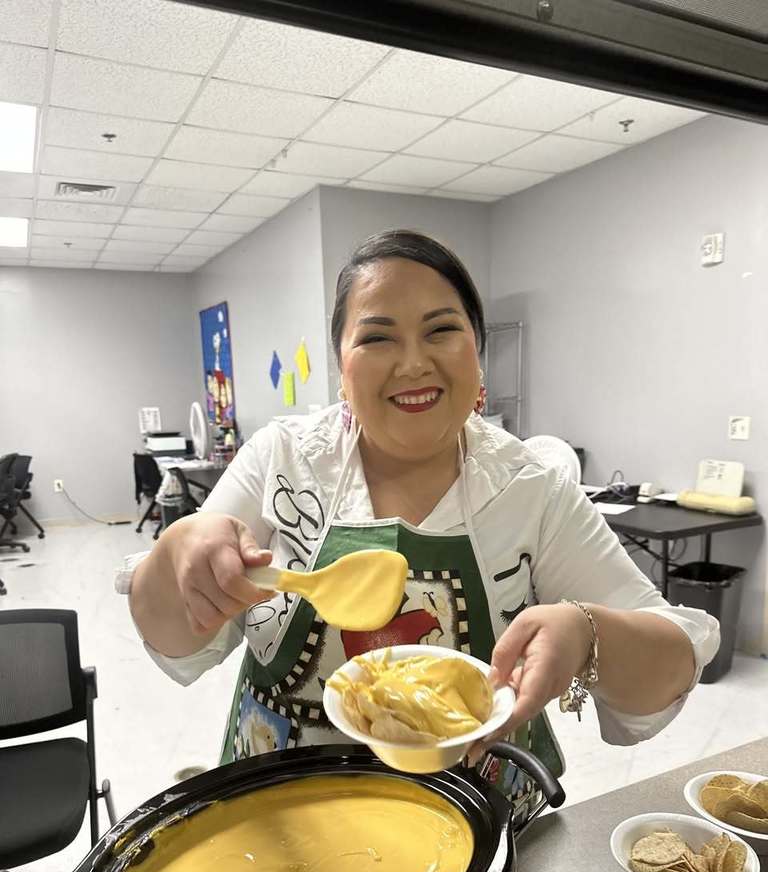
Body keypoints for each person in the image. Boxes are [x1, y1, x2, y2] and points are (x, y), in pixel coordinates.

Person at [118, 229, 719, 820]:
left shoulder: (530, 486)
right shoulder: (283, 461)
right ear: (340, 366)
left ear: (477, 352)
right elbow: (177, 640)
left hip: (482, 835)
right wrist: (178, 553)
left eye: (441, 330)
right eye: (377, 337)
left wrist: (588, 634)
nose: (412, 363)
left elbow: (669, 666)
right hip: (284, 821)